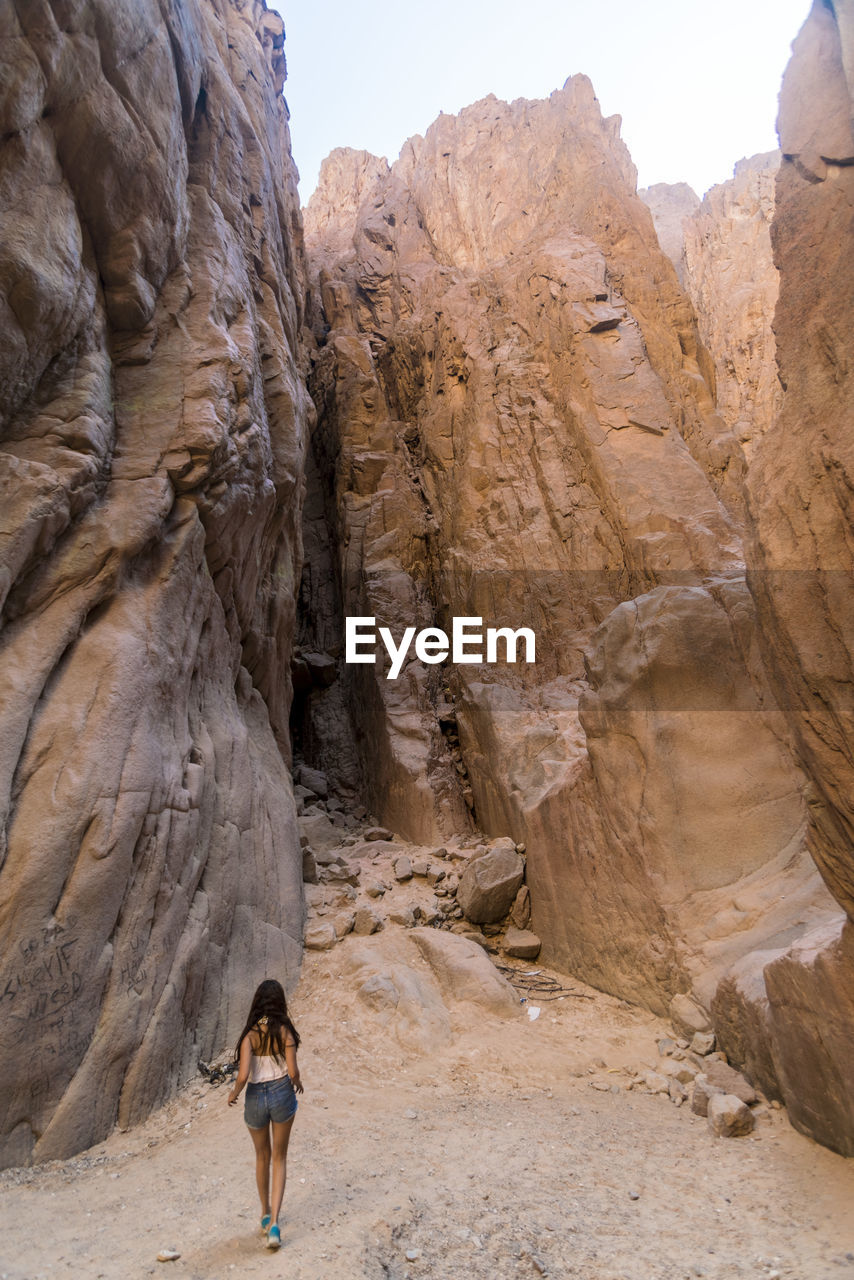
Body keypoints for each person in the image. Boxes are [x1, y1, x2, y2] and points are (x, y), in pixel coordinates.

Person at [227, 979, 304, 1250]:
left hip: (256, 1097)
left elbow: (244, 1074)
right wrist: (297, 1083)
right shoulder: (285, 1032)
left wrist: (234, 1094)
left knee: (262, 1157)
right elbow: (293, 1072)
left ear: (258, 1002)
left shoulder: (250, 1034)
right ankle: (275, 1226)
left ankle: (264, 1213)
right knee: (280, 1158)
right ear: (279, 1002)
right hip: (282, 1093)